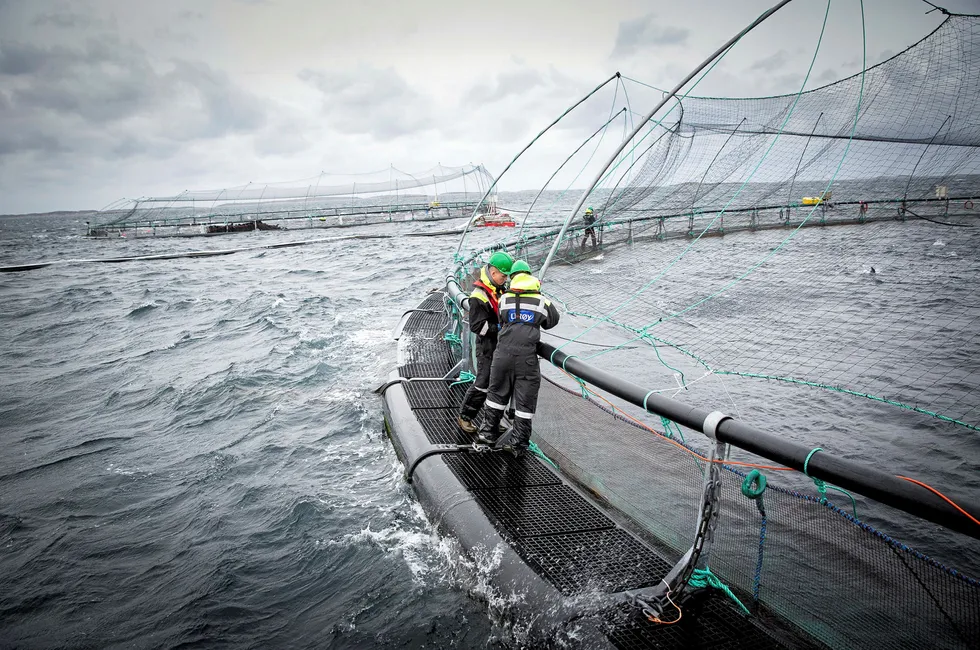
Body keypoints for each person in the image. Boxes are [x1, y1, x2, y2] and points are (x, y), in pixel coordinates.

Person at [477, 272, 560, 456]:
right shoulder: (541, 302)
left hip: (502, 355)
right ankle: (518, 446)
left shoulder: (504, 299)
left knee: (496, 394)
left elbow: (502, 320)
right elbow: (552, 321)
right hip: (526, 358)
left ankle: (486, 435)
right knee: (524, 401)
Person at [457, 251, 513, 435]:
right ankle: (465, 417)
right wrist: (501, 328)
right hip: (487, 348)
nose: (505, 279)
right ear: (493, 272)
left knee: (500, 384)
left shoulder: (501, 289)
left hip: (501, 346)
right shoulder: (479, 295)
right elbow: (477, 326)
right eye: (503, 275)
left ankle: (495, 420)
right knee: (483, 382)